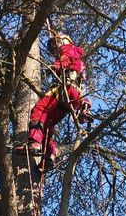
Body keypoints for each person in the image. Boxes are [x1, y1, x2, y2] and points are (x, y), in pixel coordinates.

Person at [26, 31, 93, 170]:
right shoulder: (80, 61)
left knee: (39, 110)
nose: (55, 48)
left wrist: (56, 66)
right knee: (47, 123)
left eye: (56, 44)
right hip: (74, 98)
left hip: (65, 91)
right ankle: (49, 156)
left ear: (63, 41)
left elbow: (65, 58)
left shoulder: (68, 49)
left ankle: (35, 143)